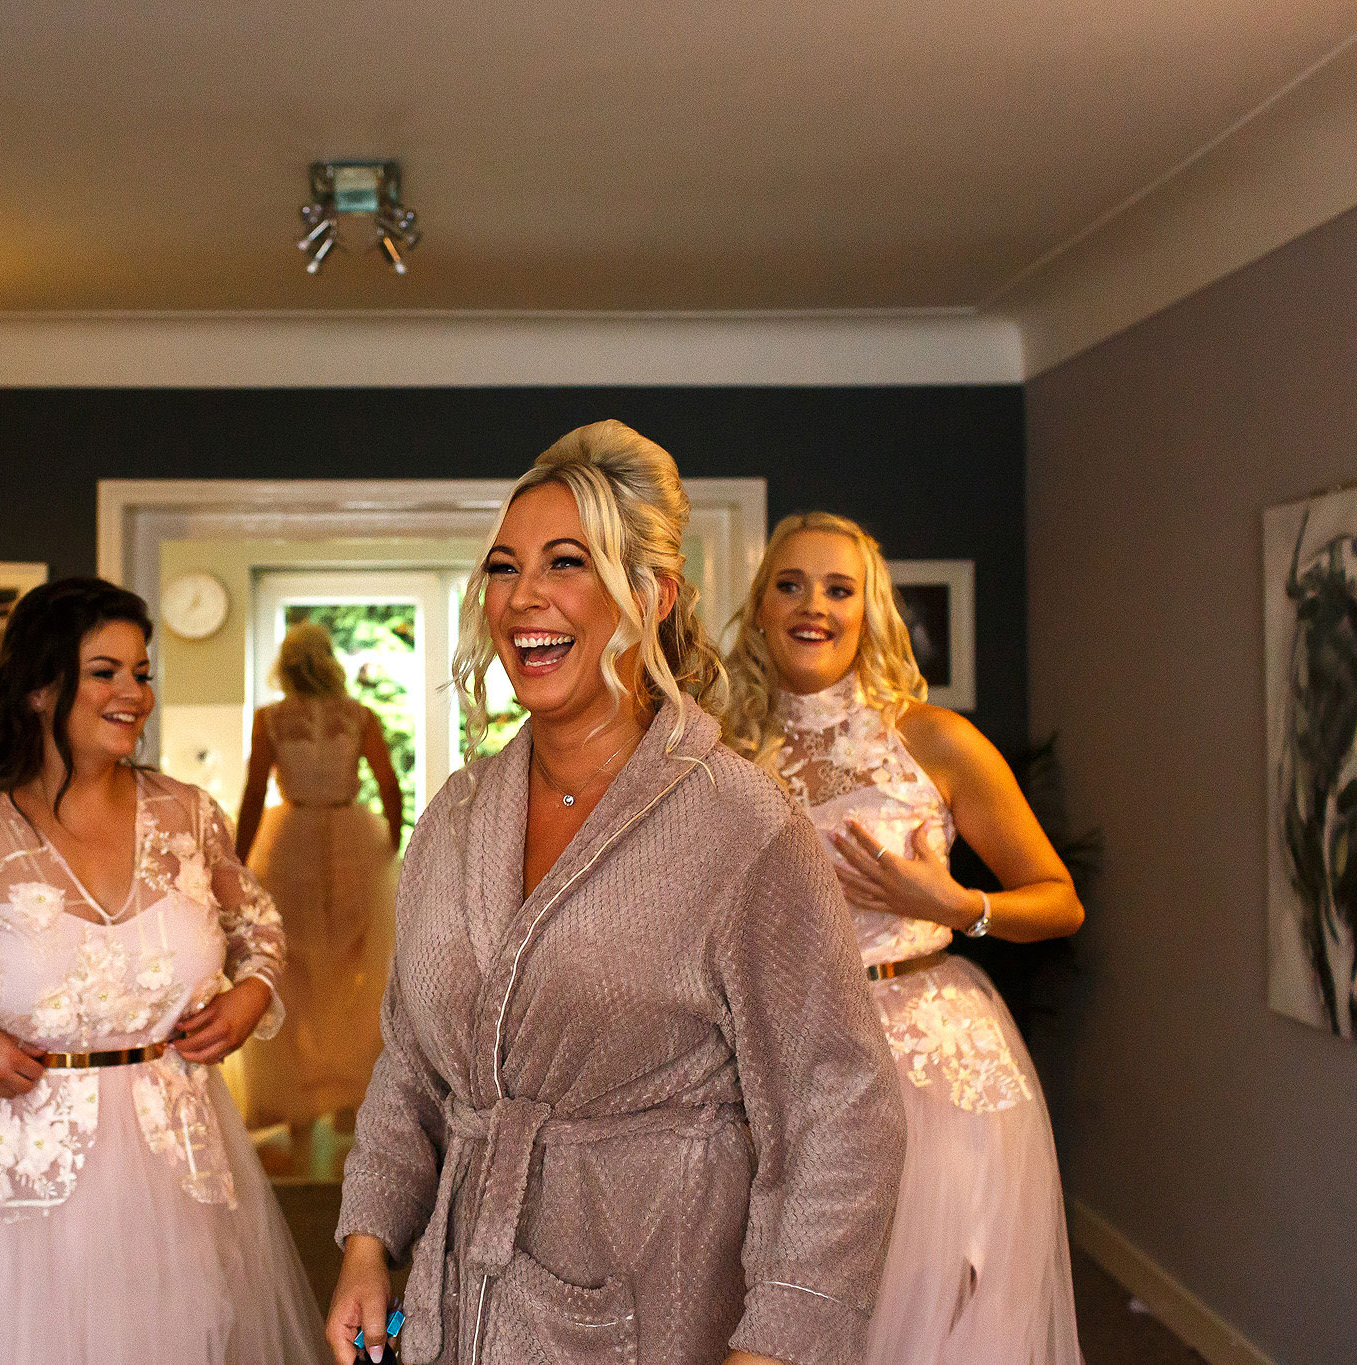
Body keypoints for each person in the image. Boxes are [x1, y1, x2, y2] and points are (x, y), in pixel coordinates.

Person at [326, 422, 906, 1365]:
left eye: (568, 561)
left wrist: (776, 1346)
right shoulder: (457, 813)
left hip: (652, 1297)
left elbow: (841, 1110)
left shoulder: (742, 827)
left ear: (651, 594)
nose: (523, 598)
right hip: (452, 1304)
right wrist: (367, 1244)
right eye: (503, 567)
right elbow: (411, 1061)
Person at [0, 577, 325, 1364]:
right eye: (106, 671)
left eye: (142, 672)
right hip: (18, 1177)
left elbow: (259, 924)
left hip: (175, 1169)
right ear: (43, 686)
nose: (134, 693)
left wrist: (253, 992)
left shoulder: (188, 813)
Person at [723, 512, 1086, 1364]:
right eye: (791, 584)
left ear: (867, 610)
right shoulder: (729, 751)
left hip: (931, 1060)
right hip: (786, 1056)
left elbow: (1060, 900)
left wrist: (958, 902)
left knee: (930, 1307)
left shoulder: (933, 738)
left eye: (838, 588)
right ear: (762, 609)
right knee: (794, 1308)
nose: (814, 605)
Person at [235, 621, 402, 1176]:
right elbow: (389, 784)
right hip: (354, 842)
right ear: (329, 660)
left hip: (290, 847)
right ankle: (353, 1108)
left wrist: (236, 861)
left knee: (295, 976)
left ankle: (301, 1122)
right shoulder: (359, 716)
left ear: (285, 664)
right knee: (358, 975)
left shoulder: (271, 721)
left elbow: (256, 792)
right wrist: (389, 845)